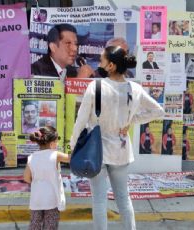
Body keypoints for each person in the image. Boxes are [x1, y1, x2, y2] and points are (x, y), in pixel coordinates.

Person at [70, 46, 164, 230]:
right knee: (123, 198)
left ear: (111, 66)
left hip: (95, 151)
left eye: (102, 60)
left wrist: (74, 145)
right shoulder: (134, 88)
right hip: (121, 150)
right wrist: (132, 121)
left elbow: (80, 121)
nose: (99, 62)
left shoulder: (95, 86)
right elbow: (158, 111)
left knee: (99, 201)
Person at [23, 126, 70, 230]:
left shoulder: (32, 158)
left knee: (34, 225)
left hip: (37, 200)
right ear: (52, 143)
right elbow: (70, 159)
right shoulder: (56, 155)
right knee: (50, 226)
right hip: (52, 200)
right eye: (57, 142)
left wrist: (37, 181)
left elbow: (26, 178)